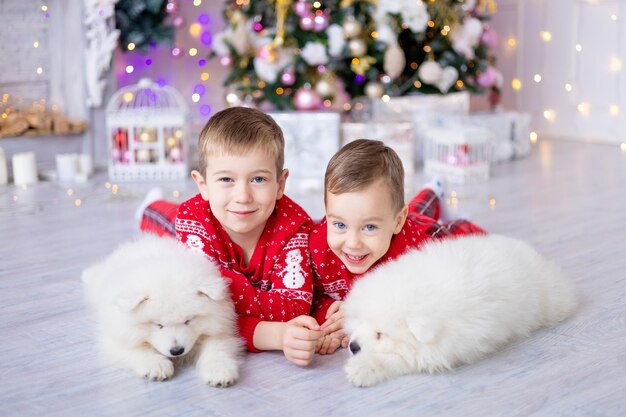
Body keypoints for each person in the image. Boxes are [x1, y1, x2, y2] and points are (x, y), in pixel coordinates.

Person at [137, 107, 322, 366]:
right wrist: (273, 333)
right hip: (196, 220)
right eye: (226, 179)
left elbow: (293, 308)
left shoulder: (294, 227)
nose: (243, 196)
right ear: (203, 185)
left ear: (280, 185)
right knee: (162, 218)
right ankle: (149, 204)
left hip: (222, 221)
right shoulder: (193, 221)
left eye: (258, 179)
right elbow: (203, 308)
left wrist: (225, 289)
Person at [310, 139, 486, 354]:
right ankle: (433, 190)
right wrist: (329, 314)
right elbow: (312, 296)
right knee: (417, 208)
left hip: (422, 230)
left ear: (397, 221)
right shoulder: (316, 247)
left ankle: (438, 199)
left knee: (447, 225)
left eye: (369, 227)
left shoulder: (419, 252)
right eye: (339, 224)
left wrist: (358, 314)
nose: (353, 243)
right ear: (326, 212)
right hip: (403, 218)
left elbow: (424, 301)